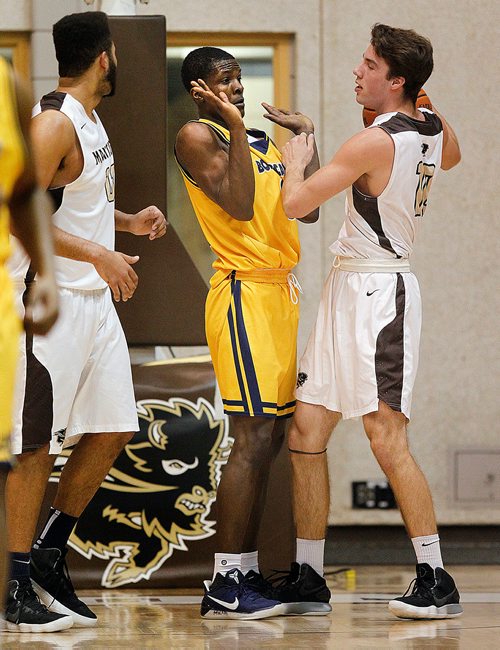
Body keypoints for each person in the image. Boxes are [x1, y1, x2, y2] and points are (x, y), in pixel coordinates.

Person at [279, 23, 462, 620]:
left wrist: (294, 158)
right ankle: (308, 575)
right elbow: (451, 153)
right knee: (307, 432)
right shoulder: (432, 128)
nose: (357, 72)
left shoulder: (371, 142)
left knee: (386, 437)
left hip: (381, 292)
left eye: (368, 65)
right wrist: (425, 105)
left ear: (396, 79)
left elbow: (297, 205)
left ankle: (436, 577)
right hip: (347, 287)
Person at [4, 12, 167, 633]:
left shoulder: (90, 120)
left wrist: (121, 224)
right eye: (117, 52)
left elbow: (72, 202)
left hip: (93, 304)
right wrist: (99, 253)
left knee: (114, 427)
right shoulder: (53, 122)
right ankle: (14, 585)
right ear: (106, 56)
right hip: (49, 303)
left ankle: (48, 552)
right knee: (37, 445)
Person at [174, 46, 326, 620]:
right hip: (240, 293)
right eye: (223, 80)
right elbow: (238, 206)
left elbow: (305, 210)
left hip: (279, 292)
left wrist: (306, 143)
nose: (236, 87)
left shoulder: (258, 144)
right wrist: (236, 125)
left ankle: (248, 571)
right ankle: (224, 579)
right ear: (198, 88)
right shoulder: (197, 136)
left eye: (238, 79)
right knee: (251, 436)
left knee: (268, 439)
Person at [0, 56, 59, 624]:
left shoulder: (10, 87)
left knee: (11, 453)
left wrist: (46, 274)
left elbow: (25, 195)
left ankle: (10, 592)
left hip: (4, 300)